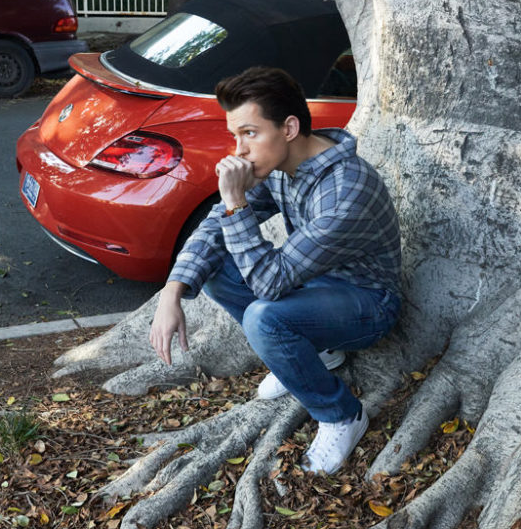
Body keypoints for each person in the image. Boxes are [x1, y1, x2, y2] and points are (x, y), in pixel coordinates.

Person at [150, 66, 401, 474]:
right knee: (214, 268)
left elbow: (269, 284)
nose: (239, 150)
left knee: (264, 320)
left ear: (288, 128)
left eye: (250, 133)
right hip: (311, 285)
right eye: (236, 135)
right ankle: (317, 351)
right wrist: (172, 291)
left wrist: (235, 201)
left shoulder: (346, 192)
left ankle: (340, 415)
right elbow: (216, 227)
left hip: (367, 304)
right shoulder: (283, 167)